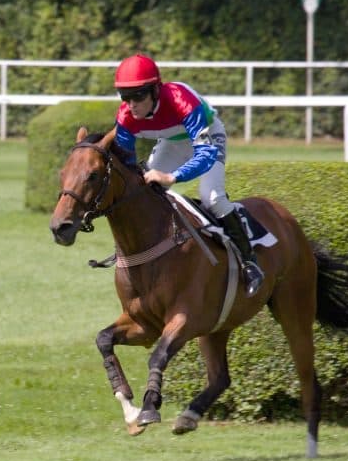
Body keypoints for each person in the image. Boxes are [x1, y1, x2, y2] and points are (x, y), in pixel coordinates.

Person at [112, 53, 264, 296]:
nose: (131, 104)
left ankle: (249, 261)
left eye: (138, 95)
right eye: (125, 96)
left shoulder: (180, 99)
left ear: (155, 90)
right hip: (171, 143)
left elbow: (204, 154)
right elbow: (126, 163)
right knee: (142, 192)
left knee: (212, 197)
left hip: (208, 139)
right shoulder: (126, 116)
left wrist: (172, 177)